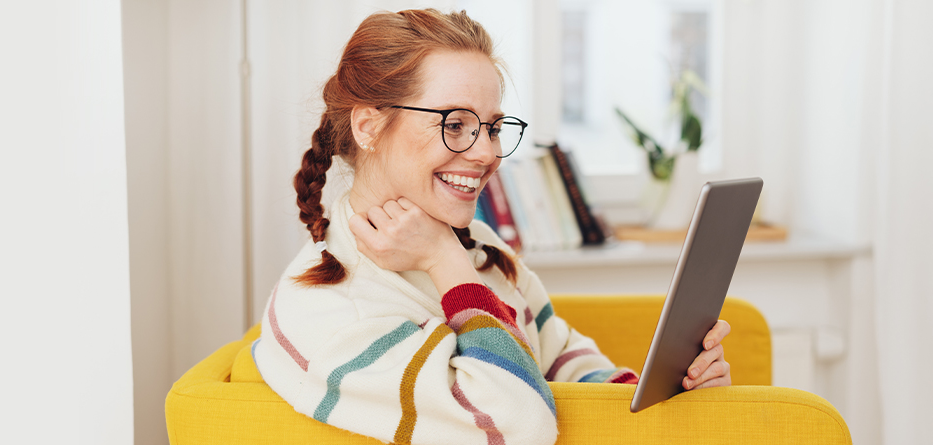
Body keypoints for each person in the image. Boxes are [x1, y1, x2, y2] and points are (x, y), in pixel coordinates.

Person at [252, 9, 732, 445]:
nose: (487, 153)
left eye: (493, 127)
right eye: (455, 124)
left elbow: (556, 353)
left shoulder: (476, 244)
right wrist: (444, 261)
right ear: (368, 127)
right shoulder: (333, 314)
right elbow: (516, 426)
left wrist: (672, 395)